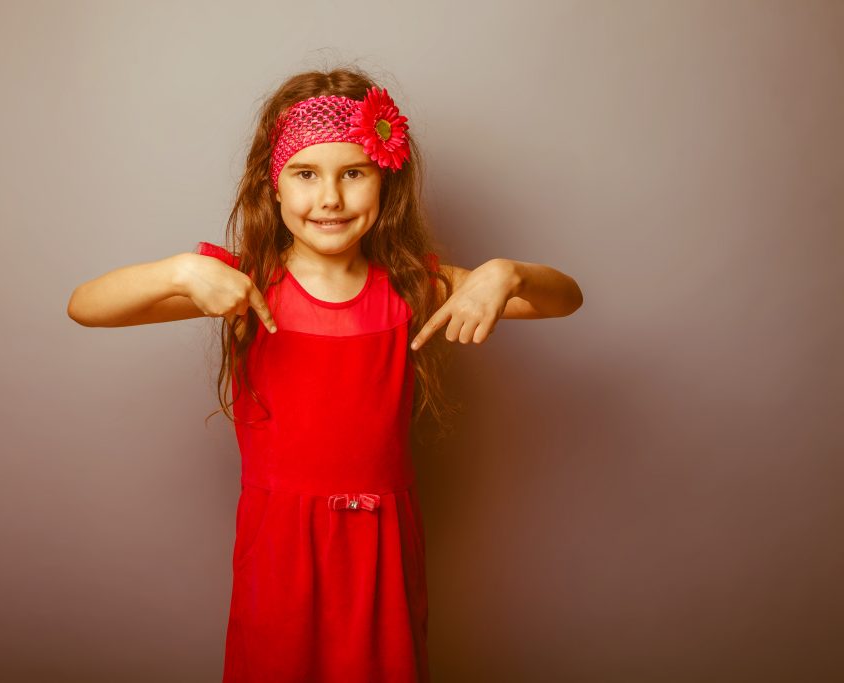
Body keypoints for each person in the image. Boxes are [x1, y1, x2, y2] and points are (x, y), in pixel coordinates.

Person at [67, 66, 583, 683]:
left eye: (353, 174)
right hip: (280, 554)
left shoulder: (416, 286)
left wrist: (508, 274)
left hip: (382, 555)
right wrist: (178, 272)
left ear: (385, 181)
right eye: (306, 174)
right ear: (273, 185)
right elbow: (85, 306)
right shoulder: (244, 286)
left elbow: (566, 298)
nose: (330, 198)